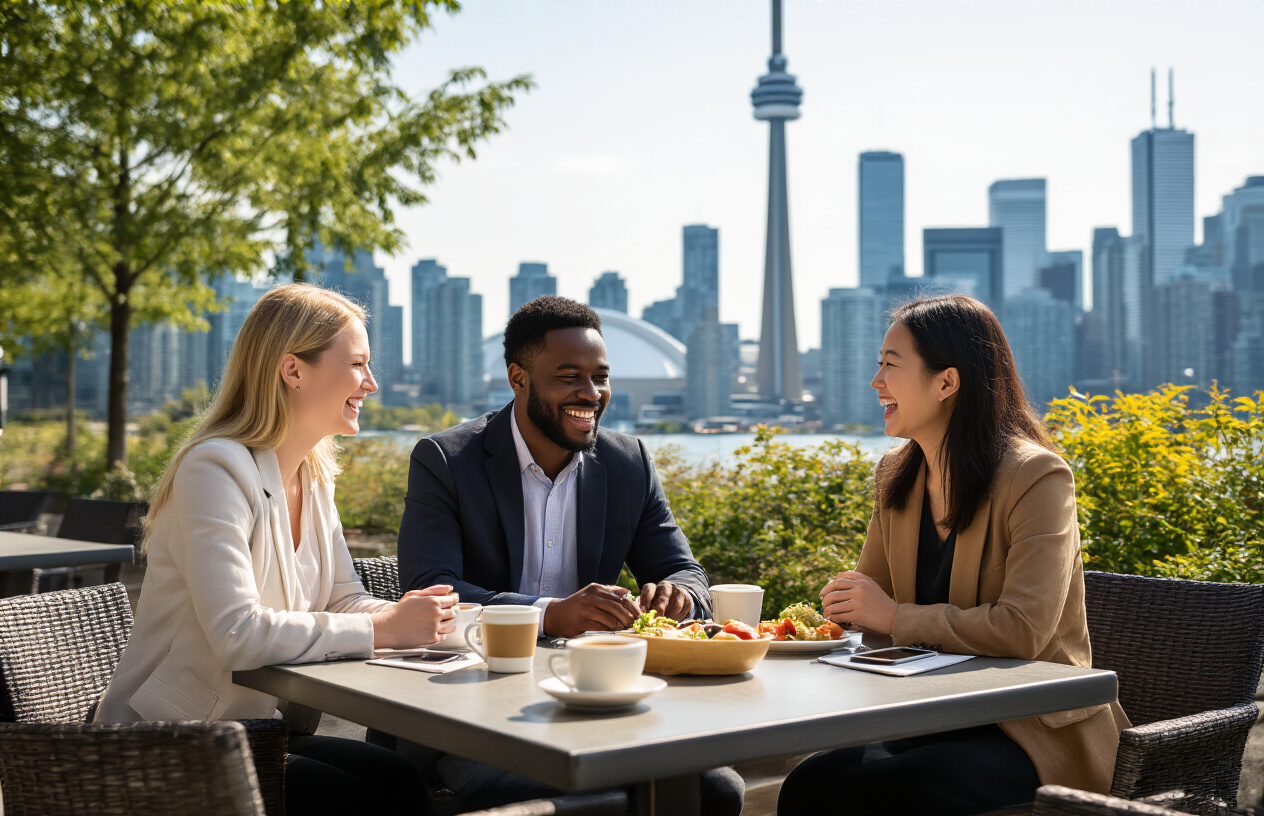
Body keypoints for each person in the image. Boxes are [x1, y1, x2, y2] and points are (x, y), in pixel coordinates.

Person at [95, 284, 457, 816]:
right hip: (172, 740)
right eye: (357, 364)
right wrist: (386, 630)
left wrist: (427, 617)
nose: (372, 384)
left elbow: (342, 601)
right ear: (294, 370)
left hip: (258, 731)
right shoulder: (213, 469)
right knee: (357, 800)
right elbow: (236, 633)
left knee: (400, 781)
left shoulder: (312, 477)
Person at [777, 294, 1129, 816]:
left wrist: (895, 616)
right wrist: (844, 610)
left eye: (891, 366)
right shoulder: (896, 475)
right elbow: (867, 609)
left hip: (1031, 733)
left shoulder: (1038, 477)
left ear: (947, 382)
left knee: (902, 790)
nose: (877, 382)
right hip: (925, 716)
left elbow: (1022, 630)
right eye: (878, 366)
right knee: (811, 784)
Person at [391, 295, 743, 814]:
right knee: (551, 797)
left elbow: (684, 571)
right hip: (469, 706)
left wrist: (679, 597)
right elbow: (430, 590)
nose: (592, 393)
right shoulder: (447, 460)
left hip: (596, 696)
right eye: (569, 376)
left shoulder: (630, 463)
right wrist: (550, 613)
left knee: (716, 790)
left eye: (601, 376)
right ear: (518, 379)